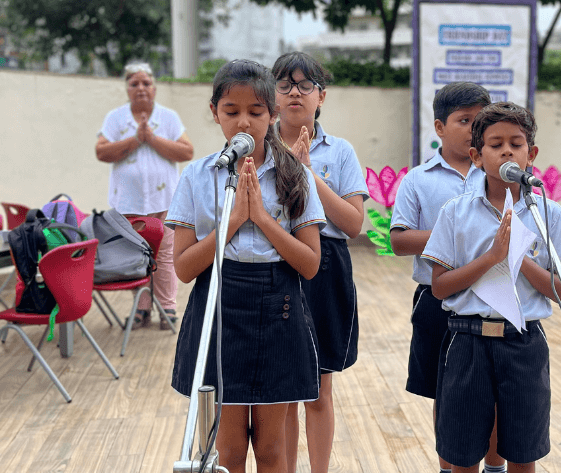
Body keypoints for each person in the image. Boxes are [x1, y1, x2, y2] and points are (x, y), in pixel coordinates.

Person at [165, 60, 326, 473]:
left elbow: (309, 264)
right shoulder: (198, 176)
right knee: (228, 450)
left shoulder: (296, 176)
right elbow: (183, 268)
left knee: (272, 449)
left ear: (273, 115)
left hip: (278, 307)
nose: (243, 123)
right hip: (218, 306)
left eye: (256, 112)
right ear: (215, 111)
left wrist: (263, 219)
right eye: (231, 111)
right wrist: (233, 220)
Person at [421, 102, 561, 473]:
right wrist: (492, 257)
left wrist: (517, 257)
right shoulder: (455, 212)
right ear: (476, 156)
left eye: (516, 143)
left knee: (523, 451)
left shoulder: (549, 213)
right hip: (467, 342)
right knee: (462, 452)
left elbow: (560, 290)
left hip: (524, 343)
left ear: (531, 154)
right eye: (495, 145)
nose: (507, 151)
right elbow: (440, 287)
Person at [390, 82, 507, 473]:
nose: (473, 129)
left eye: (480, 122)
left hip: (495, 296)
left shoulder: (498, 177)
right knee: (449, 389)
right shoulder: (418, 180)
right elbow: (401, 240)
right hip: (437, 298)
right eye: (464, 121)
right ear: (439, 127)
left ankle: (495, 466)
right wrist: (455, 237)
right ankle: (450, 466)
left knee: (495, 389)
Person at [272, 52, 368, 473]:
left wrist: (309, 172)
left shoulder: (341, 150)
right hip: (275, 265)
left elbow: (352, 224)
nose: (296, 92)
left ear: (321, 97)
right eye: (286, 84)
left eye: (306, 85)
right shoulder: (258, 144)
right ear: (272, 96)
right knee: (284, 390)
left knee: (318, 386)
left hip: (326, 267)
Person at [95, 61, 194, 330]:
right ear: (127, 88)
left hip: (165, 202)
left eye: (146, 83)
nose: (141, 88)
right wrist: (135, 140)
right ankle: (142, 307)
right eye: (134, 83)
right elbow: (101, 152)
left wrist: (150, 138)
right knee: (136, 255)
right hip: (128, 203)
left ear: (154, 87)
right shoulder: (116, 118)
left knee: (163, 255)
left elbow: (186, 152)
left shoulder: (168, 117)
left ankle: (168, 308)